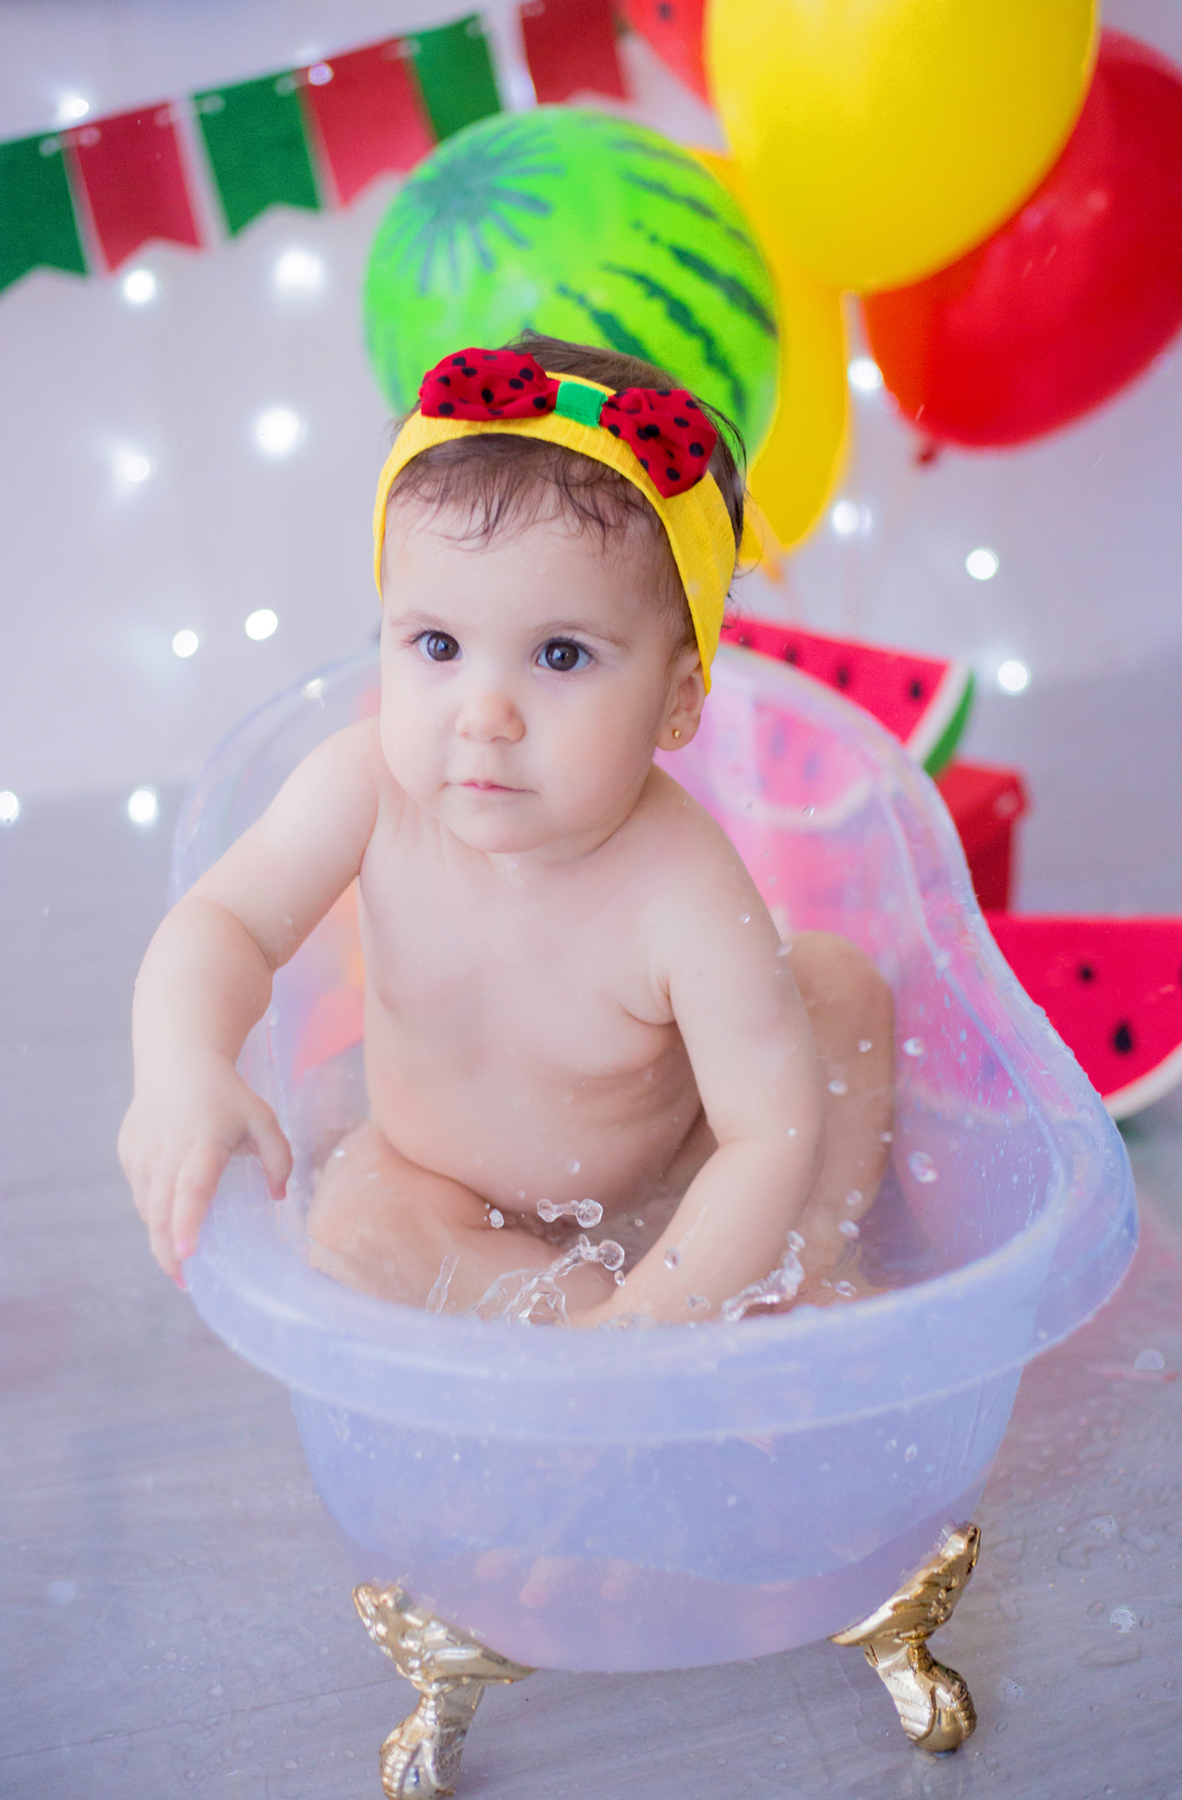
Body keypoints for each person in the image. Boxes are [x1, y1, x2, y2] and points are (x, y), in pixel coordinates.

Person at [118, 335, 893, 1326]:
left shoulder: (682, 885)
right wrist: (182, 1069)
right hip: (436, 1176)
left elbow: (763, 1138)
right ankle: (573, 1316)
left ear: (677, 701)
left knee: (839, 991)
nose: (484, 712)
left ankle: (790, 1270)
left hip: (678, 1174)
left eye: (561, 655)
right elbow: (222, 920)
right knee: (353, 1237)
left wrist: (655, 1319)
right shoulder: (365, 789)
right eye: (437, 644)